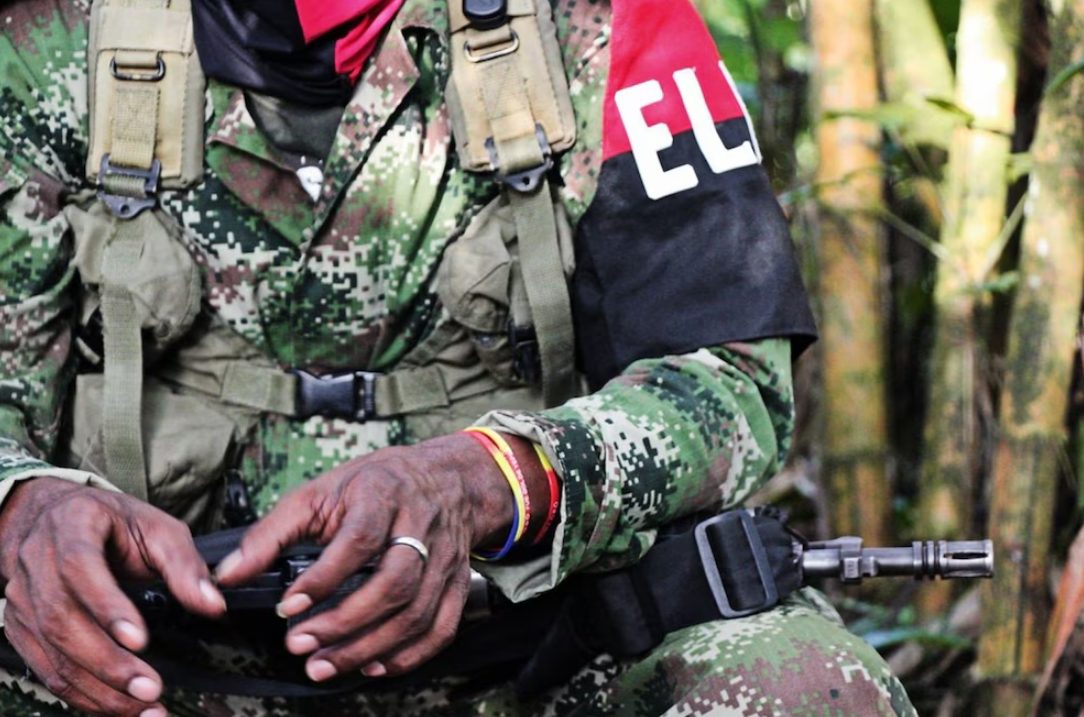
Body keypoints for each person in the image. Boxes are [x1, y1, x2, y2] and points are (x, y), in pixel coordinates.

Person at [0, 0, 917, 715]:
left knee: (801, 682)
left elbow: (728, 373)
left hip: (532, 654)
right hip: (129, 665)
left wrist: (495, 480)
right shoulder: (43, 41)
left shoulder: (594, 22)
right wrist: (23, 503)